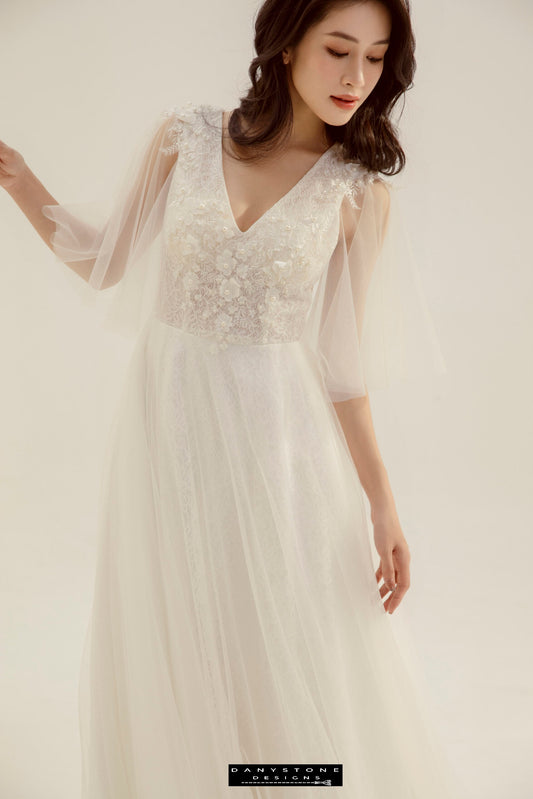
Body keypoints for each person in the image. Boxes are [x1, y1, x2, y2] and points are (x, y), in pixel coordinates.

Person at [1, 0, 457, 796]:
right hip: (166, 434)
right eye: (338, 50)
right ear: (286, 47)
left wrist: (382, 505)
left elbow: (344, 370)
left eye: (376, 59)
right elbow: (105, 262)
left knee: (279, 645)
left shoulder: (356, 194)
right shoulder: (185, 137)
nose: (356, 78)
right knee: (177, 634)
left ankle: (282, 785)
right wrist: (18, 179)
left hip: (282, 450)